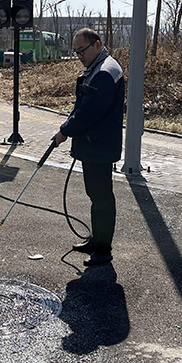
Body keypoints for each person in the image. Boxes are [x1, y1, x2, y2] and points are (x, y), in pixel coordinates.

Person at [53, 28, 125, 266]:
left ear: (97, 44)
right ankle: (96, 240)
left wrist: (64, 131)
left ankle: (103, 250)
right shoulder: (97, 69)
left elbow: (88, 112)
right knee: (95, 195)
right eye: (76, 52)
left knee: (102, 196)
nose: (79, 56)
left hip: (100, 145)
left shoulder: (106, 72)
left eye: (82, 50)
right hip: (94, 144)